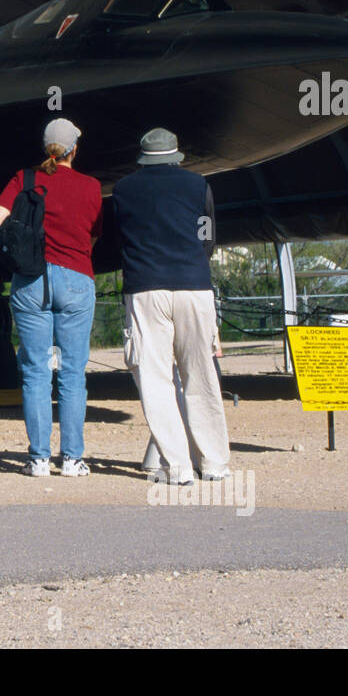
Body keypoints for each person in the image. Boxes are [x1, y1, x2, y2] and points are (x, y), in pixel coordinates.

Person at [113, 127, 231, 485]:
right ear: (177, 156)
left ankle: (178, 468)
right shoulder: (199, 185)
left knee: (155, 379)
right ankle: (214, 463)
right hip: (194, 286)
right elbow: (207, 236)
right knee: (201, 374)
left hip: (146, 288)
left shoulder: (122, 189)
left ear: (144, 158)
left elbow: (120, 236)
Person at [0, 118, 103, 477]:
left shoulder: (25, 179)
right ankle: (72, 459)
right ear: (74, 149)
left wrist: (16, 248)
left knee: (35, 372)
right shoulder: (92, 186)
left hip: (31, 279)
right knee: (72, 373)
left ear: (45, 148)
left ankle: (38, 459)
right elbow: (94, 235)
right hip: (76, 279)